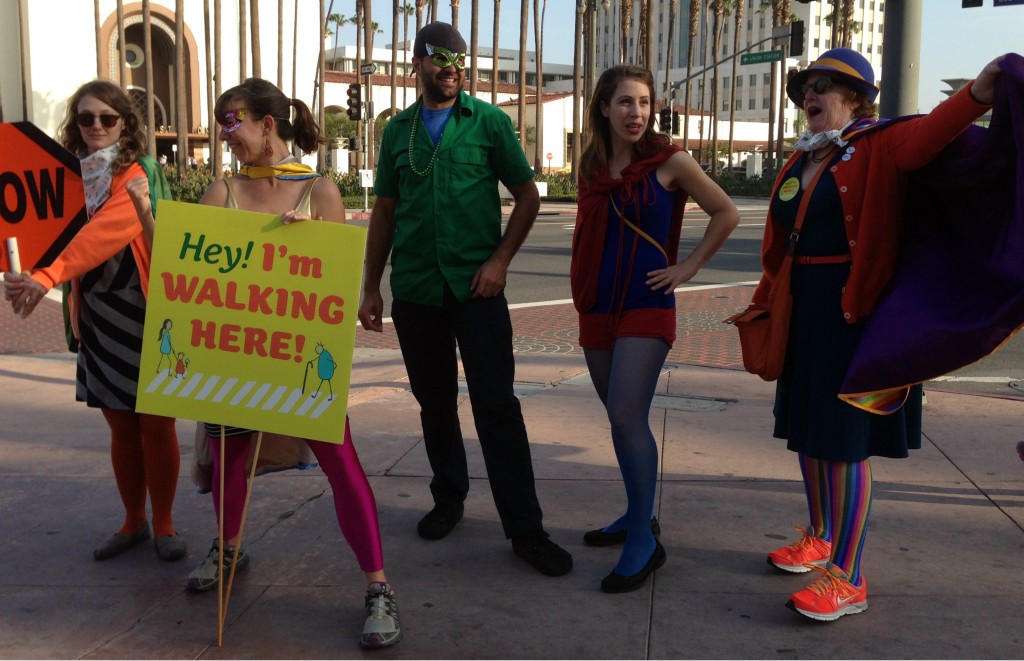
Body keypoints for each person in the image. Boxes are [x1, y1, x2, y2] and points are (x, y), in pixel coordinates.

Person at [756, 48, 1002, 621]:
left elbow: (935, 133)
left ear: (858, 98)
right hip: (803, 312)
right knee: (809, 434)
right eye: (807, 86)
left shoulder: (882, 144)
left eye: (826, 86)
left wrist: (981, 90)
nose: (811, 94)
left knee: (845, 446)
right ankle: (818, 535)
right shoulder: (804, 159)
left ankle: (850, 577)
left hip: (853, 316)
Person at [189, 77, 400, 650]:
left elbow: (334, 287)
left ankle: (378, 586)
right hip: (234, 357)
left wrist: (309, 246)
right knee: (229, 454)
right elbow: (193, 278)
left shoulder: (320, 191)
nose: (226, 133)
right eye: (222, 123)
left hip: (303, 360)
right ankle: (228, 546)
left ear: (267, 123)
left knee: (341, 463)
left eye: (233, 121)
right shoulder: (220, 192)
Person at [357, 22, 572, 577]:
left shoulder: (490, 123)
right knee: (434, 403)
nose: (450, 66)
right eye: (438, 58)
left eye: (458, 58)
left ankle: (525, 528)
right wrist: (370, 286)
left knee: (497, 406)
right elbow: (383, 212)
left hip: (478, 291)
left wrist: (500, 261)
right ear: (418, 66)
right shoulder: (397, 132)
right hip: (417, 291)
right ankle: (448, 497)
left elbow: (526, 195)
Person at [570, 65, 739, 593]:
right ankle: (636, 512)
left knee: (625, 411)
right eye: (625, 102)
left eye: (644, 103)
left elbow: (725, 212)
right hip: (598, 306)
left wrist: (687, 268)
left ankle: (644, 538)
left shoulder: (672, 162)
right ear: (604, 108)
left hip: (647, 302)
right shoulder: (592, 165)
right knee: (623, 420)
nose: (636, 113)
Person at [2, 80, 184, 562]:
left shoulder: (139, 173)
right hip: (99, 314)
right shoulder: (68, 180)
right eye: (87, 118)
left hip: (146, 311)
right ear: (75, 125)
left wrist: (46, 276)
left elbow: (106, 232)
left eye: (108, 118)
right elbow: (38, 232)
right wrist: (23, 277)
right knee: (120, 425)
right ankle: (133, 521)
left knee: (156, 422)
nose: (97, 126)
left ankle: (164, 524)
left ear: (126, 123)